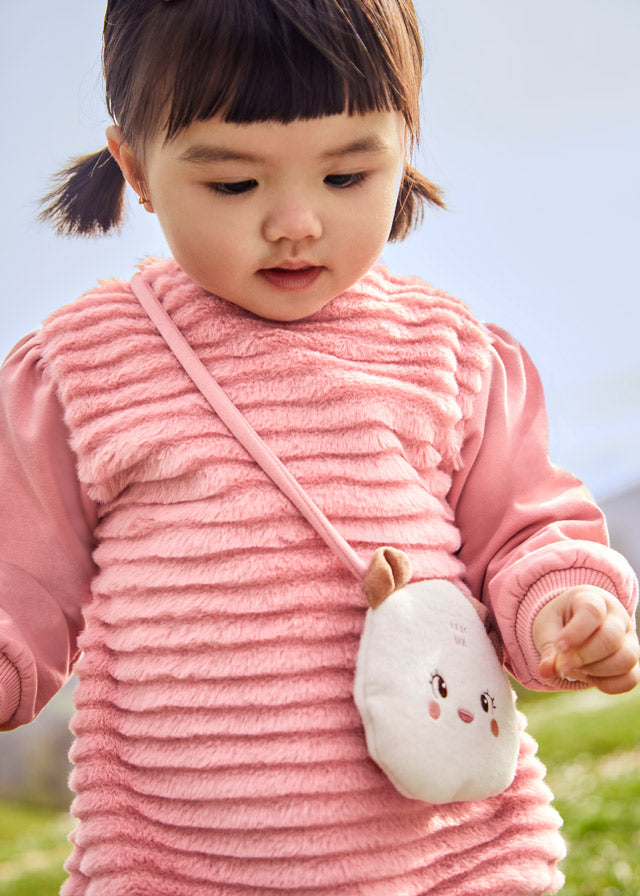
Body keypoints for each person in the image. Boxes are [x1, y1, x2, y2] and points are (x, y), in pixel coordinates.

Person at [0, 1, 638, 893]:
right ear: (136, 168)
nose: (295, 221)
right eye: (234, 185)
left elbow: (524, 530)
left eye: (346, 176)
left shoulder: (450, 355)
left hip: (450, 860)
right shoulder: (78, 371)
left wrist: (565, 603)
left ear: (402, 149)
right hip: (176, 865)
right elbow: (19, 579)